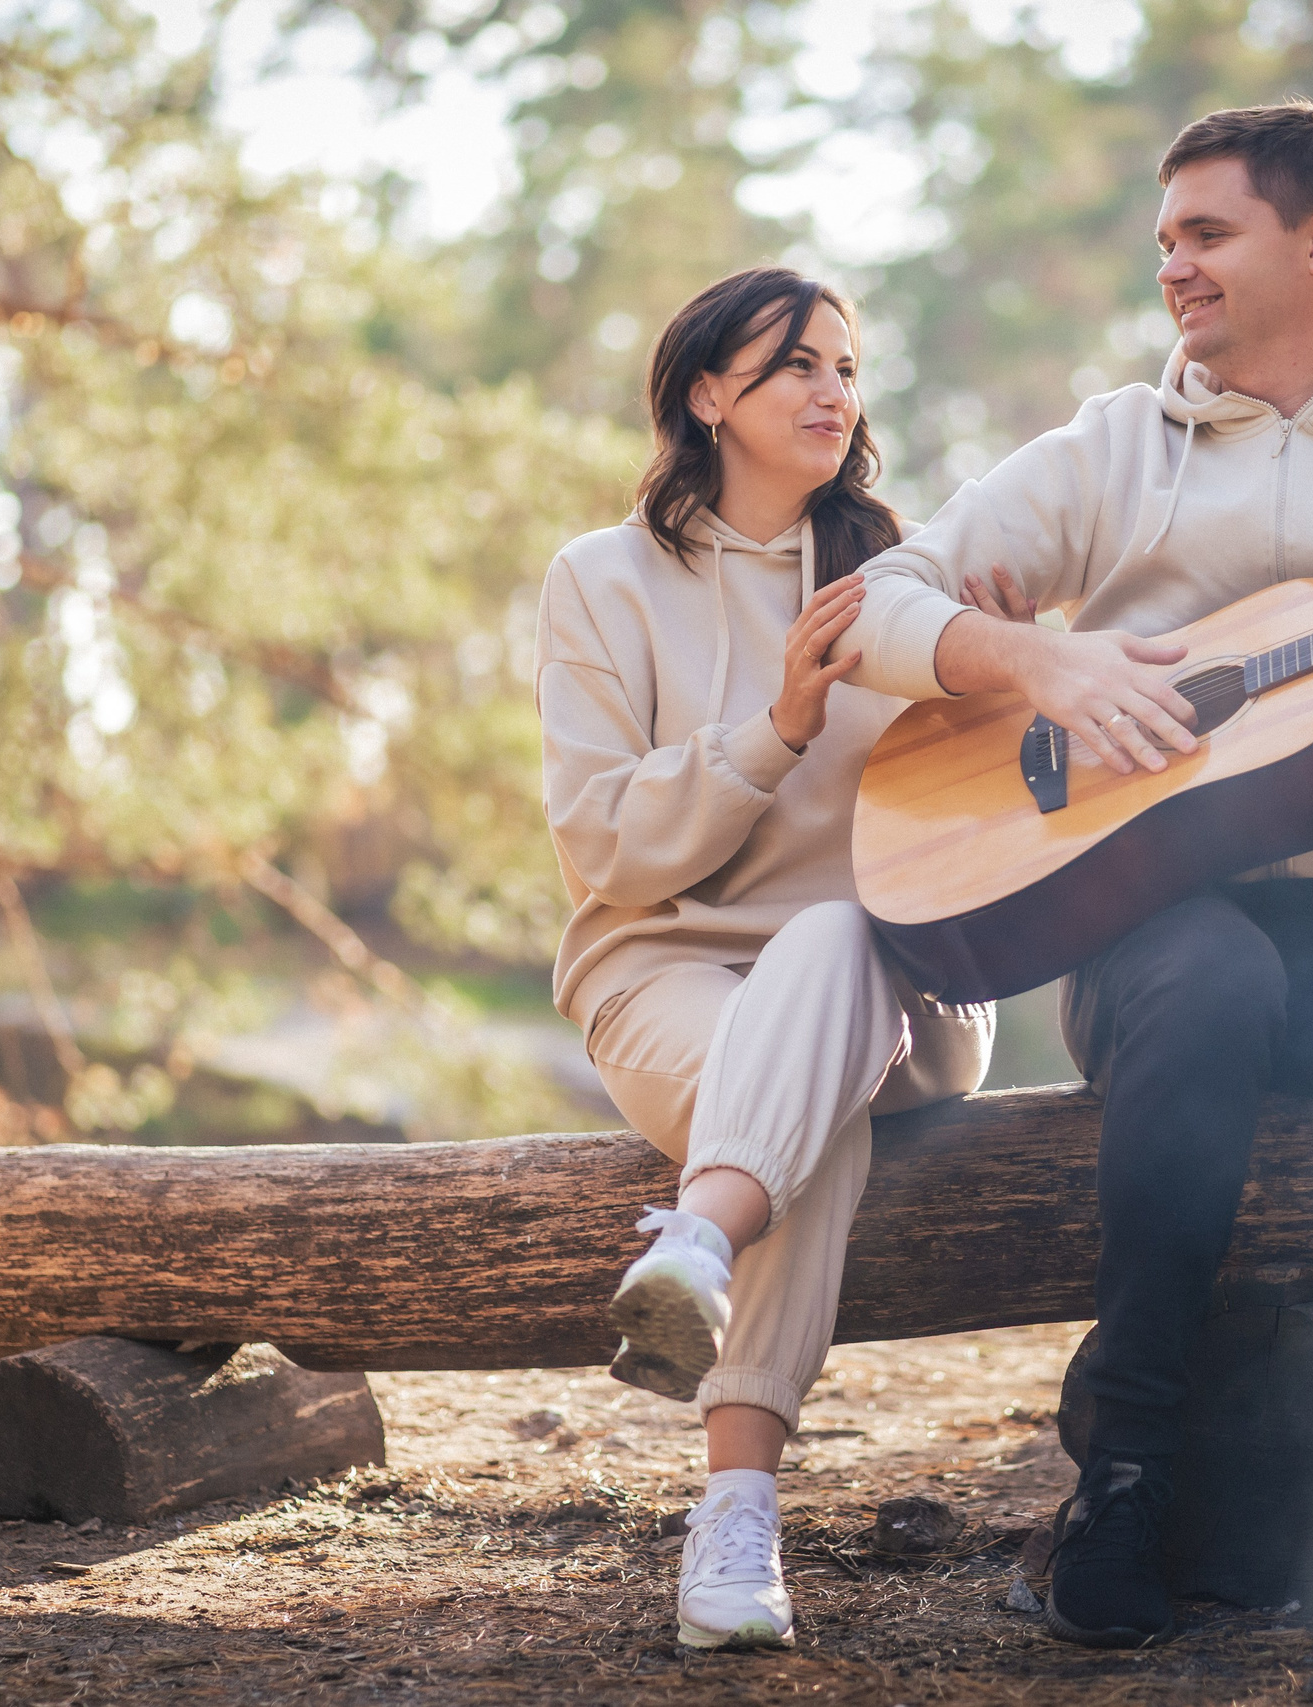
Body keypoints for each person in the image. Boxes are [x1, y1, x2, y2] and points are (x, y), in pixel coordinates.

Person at [831, 102, 1313, 1654]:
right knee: (1211, 975)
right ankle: (1121, 1475)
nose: (1174, 269)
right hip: (1151, 927)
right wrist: (1043, 661)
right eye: (1165, 243)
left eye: (1207, 235)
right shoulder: (1113, 448)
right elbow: (871, 607)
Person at [535, 268, 1001, 1652]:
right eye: (795, 364)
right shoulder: (602, 581)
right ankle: (736, 1513)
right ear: (706, 395)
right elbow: (603, 844)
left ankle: (698, 1241)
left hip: (895, 982)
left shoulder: (901, 581)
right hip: (665, 967)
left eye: (847, 369)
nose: (831, 393)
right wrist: (776, 730)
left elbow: (984, 795)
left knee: (833, 940)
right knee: (805, 1109)